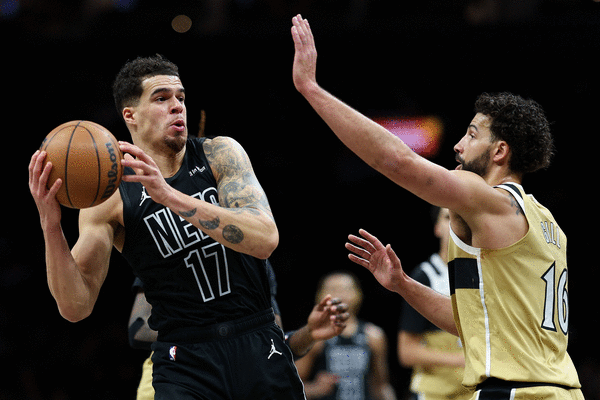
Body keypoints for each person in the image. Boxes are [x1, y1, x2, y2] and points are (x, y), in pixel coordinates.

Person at [291, 14, 583, 400]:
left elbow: (397, 161)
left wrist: (311, 89)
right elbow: (474, 323)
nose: (458, 146)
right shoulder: (547, 223)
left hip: (519, 392)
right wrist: (403, 285)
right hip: (558, 390)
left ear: (500, 152)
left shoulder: (490, 200)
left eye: (472, 135)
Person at [29, 54, 305, 399]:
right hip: (184, 359)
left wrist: (169, 196)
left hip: (257, 338)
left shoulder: (219, 154)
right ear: (130, 115)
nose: (177, 106)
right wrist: (50, 225)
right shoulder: (110, 199)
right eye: (161, 98)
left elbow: (265, 239)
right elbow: (75, 307)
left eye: (181, 98)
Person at [129, 259, 351, 400]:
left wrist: (309, 332)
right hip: (177, 373)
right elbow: (137, 330)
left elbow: (273, 348)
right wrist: (214, 332)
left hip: (242, 378)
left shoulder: (255, 259)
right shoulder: (163, 254)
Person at [397, 207, 471, 400]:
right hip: (434, 392)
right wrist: (460, 359)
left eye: (460, 216)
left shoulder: (484, 273)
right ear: (437, 228)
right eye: (447, 217)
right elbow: (407, 352)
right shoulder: (424, 276)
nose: (454, 223)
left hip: (475, 391)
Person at [295, 271, 397, 400]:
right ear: (320, 295)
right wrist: (315, 388)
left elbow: (381, 386)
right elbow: (291, 386)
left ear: (358, 294)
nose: (340, 294)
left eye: (346, 289)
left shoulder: (373, 336)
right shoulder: (315, 337)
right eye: (333, 289)